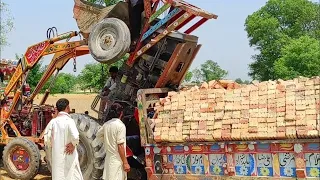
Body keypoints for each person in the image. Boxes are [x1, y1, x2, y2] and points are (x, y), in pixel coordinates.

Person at [43, 98, 83, 180]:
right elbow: (75, 136)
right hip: (69, 154)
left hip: (56, 157)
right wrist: (73, 144)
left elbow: (46, 139)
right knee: (72, 175)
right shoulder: (69, 121)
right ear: (67, 107)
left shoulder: (52, 122)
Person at [97, 103, 130, 180]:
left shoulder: (106, 124)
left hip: (109, 159)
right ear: (121, 113)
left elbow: (98, 135)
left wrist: (107, 142)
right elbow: (120, 145)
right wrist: (125, 162)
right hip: (117, 160)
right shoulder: (120, 126)